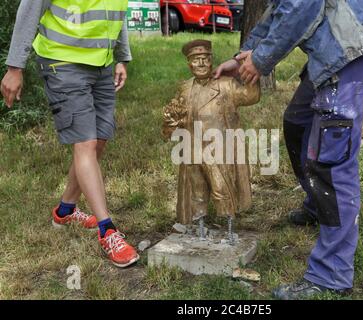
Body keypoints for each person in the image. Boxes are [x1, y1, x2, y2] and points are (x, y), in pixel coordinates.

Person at [215, 0, 363, 298]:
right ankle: (319, 206)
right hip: (333, 43)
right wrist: (242, 58)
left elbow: (303, 6)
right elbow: (278, 9)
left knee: (331, 162)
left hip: (351, 43)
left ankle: (331, 274)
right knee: (298, 123)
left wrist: (261, 59)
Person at [0, 0, 139, 268]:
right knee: (85, 144)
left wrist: (121, 57)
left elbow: (114, 13)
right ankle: (107, 230)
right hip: (62, 62)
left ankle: (65, 211)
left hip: (102, 64)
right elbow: (30, 9)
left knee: (98, 142)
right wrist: (15, 67)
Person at [162, 40, 260, 243]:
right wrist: (171, 123)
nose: (200, 64)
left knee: (221, 186)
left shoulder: (224, 84)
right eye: (195, 60)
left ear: (211, 61)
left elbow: (250, 96)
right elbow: (176, 116)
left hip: (218, 148)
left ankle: (229, 224)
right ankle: (199, 225)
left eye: (205, 59)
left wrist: (252, 70)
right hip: (192, 147)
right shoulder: (185, 88)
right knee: (197, 189)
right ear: (188, 64)